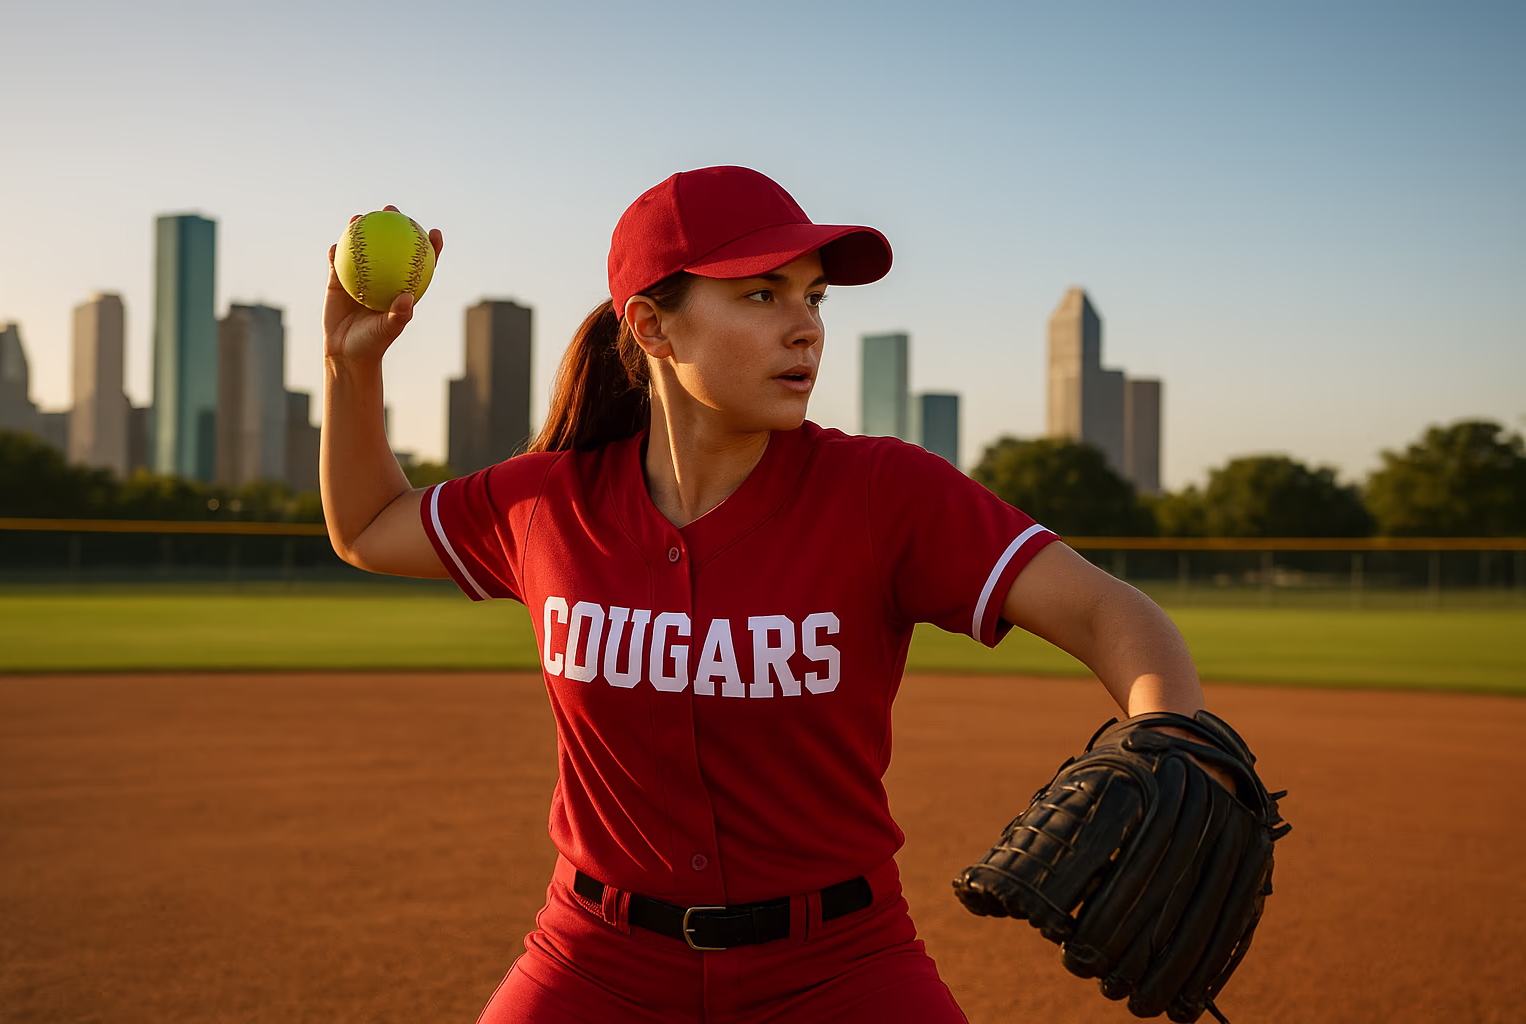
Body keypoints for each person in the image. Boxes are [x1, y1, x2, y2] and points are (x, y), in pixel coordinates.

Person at [321, 166, 1218, 1023]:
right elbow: (367, 527)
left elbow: (1108, 612)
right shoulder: (549, 503)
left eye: (813, 295)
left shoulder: (883, 492)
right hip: (596, 960)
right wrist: (350, 366)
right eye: (762, 293)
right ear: (652, 328)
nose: (807, 327)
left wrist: (1178, 744)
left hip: (837, 967)